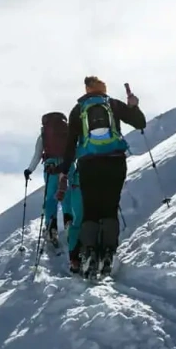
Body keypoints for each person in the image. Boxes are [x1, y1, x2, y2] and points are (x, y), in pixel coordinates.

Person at [57, 76, 147, 276]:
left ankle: (88, 251)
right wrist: (134, 107)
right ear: (103, 88)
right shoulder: (113, 104)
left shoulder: (78, 109)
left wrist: (64, 170)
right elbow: (140, 124)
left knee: (91, 209)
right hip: (115, 162)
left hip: (89, 164)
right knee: (110, 206)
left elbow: (71, 144)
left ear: (87, 89)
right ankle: (108, 252)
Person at [24, 112, 71, 247]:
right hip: (68, 165)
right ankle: (69, 223)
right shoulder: (68, 132)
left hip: (51, 167)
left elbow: (37, 155)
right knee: (68, 195)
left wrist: (29, 170)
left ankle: (51, 228)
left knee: (51, 197)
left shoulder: (44, 135)